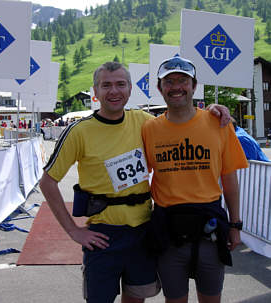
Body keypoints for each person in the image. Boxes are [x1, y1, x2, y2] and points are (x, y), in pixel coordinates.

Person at [39, 61, 231, 303]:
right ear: (95, 92)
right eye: (105, 85)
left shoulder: (144, 122)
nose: (114, 91)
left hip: (142, 231)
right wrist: (73, 231)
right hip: (103, 235)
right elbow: (47, 182)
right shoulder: (79, 131)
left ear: (130, 89)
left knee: (136, 298)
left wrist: (214, 110)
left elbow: (180, 120)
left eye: (120, 84)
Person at [141, 56, 249, 303]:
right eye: (169, 82)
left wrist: (235, 226)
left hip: (208, 229)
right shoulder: (149, 129)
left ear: (194, 85)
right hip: (168, 231)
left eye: (182, 80)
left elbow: (230, 179)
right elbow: (139, 176)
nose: (176, 86)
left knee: (211, 299)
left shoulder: (218, 123)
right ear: (160, 88)